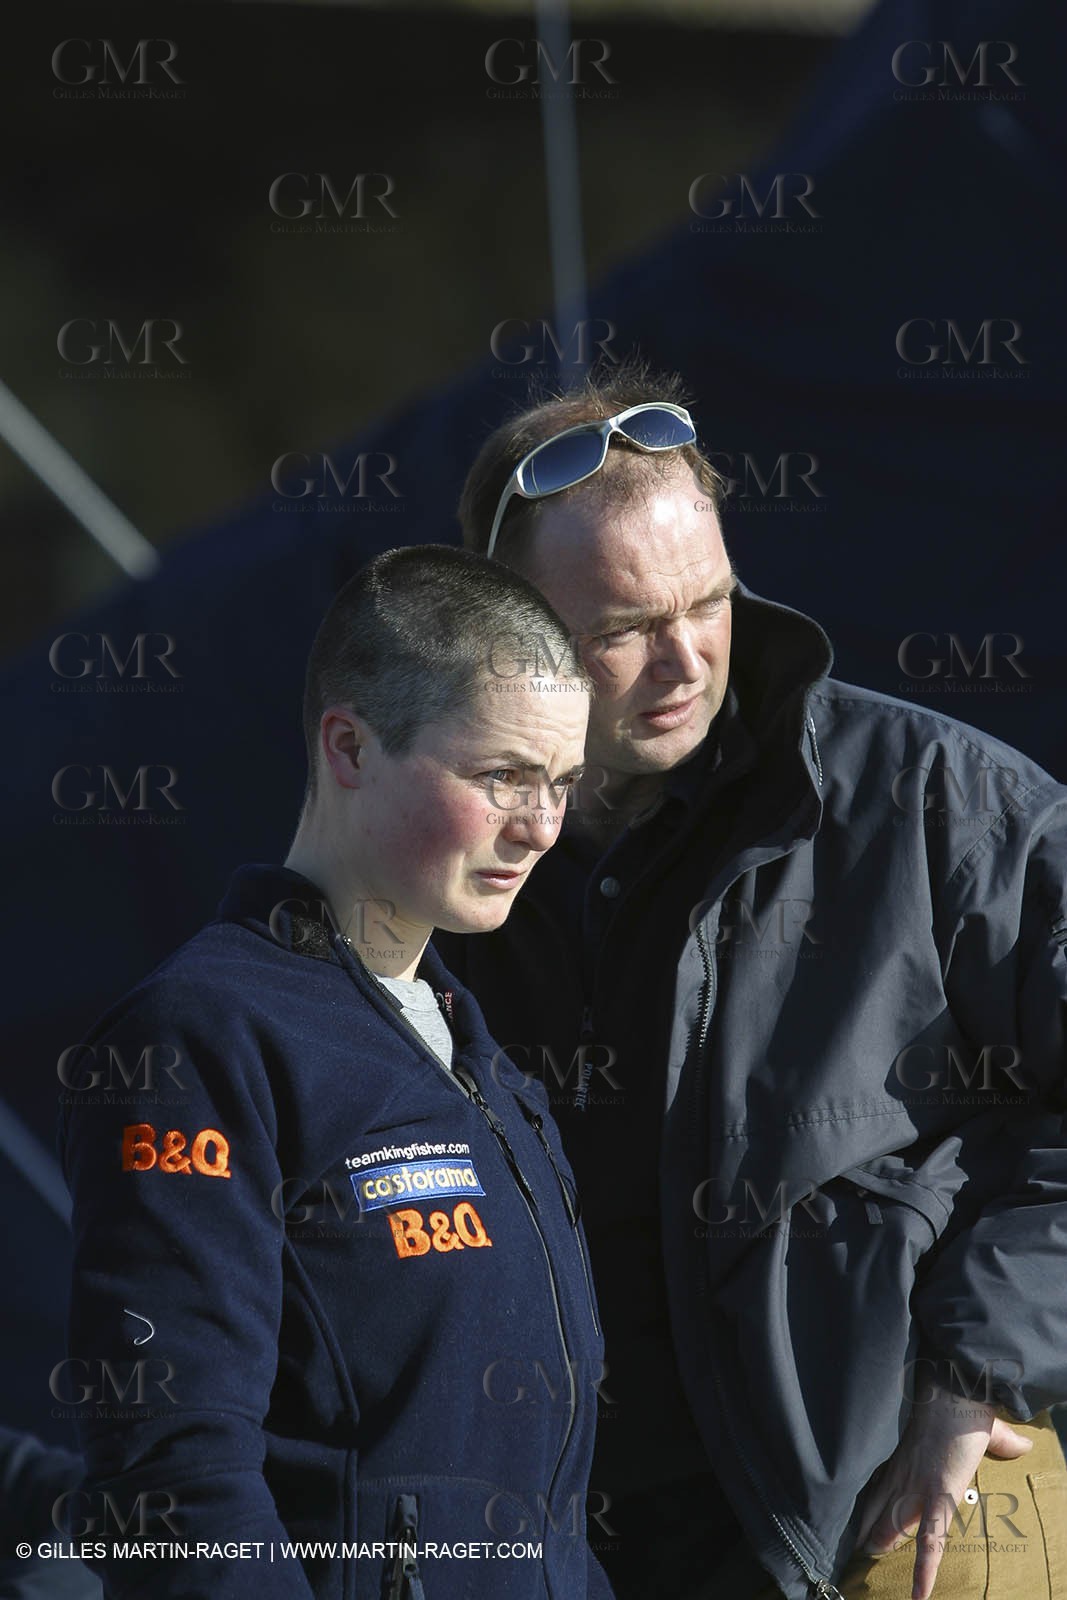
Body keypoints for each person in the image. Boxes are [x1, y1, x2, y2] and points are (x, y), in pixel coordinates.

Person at [434, 365, 1067, 1600]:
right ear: (504, 636)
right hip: (567, 1541)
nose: (682, 659)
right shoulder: (438, 862)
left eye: (708, 601)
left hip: (907, 1497)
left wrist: (979, 1369)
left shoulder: (936, 800)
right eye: (620, 630)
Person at [59, 546, 613, 1600]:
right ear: (349, 745)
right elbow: (172, 1476)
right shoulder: (204, 1037)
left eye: (560, 785)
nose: (540, 827)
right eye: (501, 775)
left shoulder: (474, 1054)